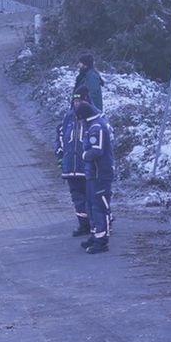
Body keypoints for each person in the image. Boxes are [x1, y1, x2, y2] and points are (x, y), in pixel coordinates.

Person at [75, 98, 115, 253]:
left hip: (100, 174)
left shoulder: (96, 128)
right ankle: (95, 235)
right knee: (91, 206)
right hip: (93, 173)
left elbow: (96, 150)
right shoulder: (93, 125)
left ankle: (102, 240)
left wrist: (84, 155)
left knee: (99, 206)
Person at [56, 88, 92, 237]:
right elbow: (60, 138)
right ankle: (83, 224)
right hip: (71, 167)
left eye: (80, 101)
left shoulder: (93, 118)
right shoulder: (68, 118)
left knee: (91, 196)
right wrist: (60, 157)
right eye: (75, 101)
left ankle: (100, 222)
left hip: (86, 167)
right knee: (77, 198)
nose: (78, 104)